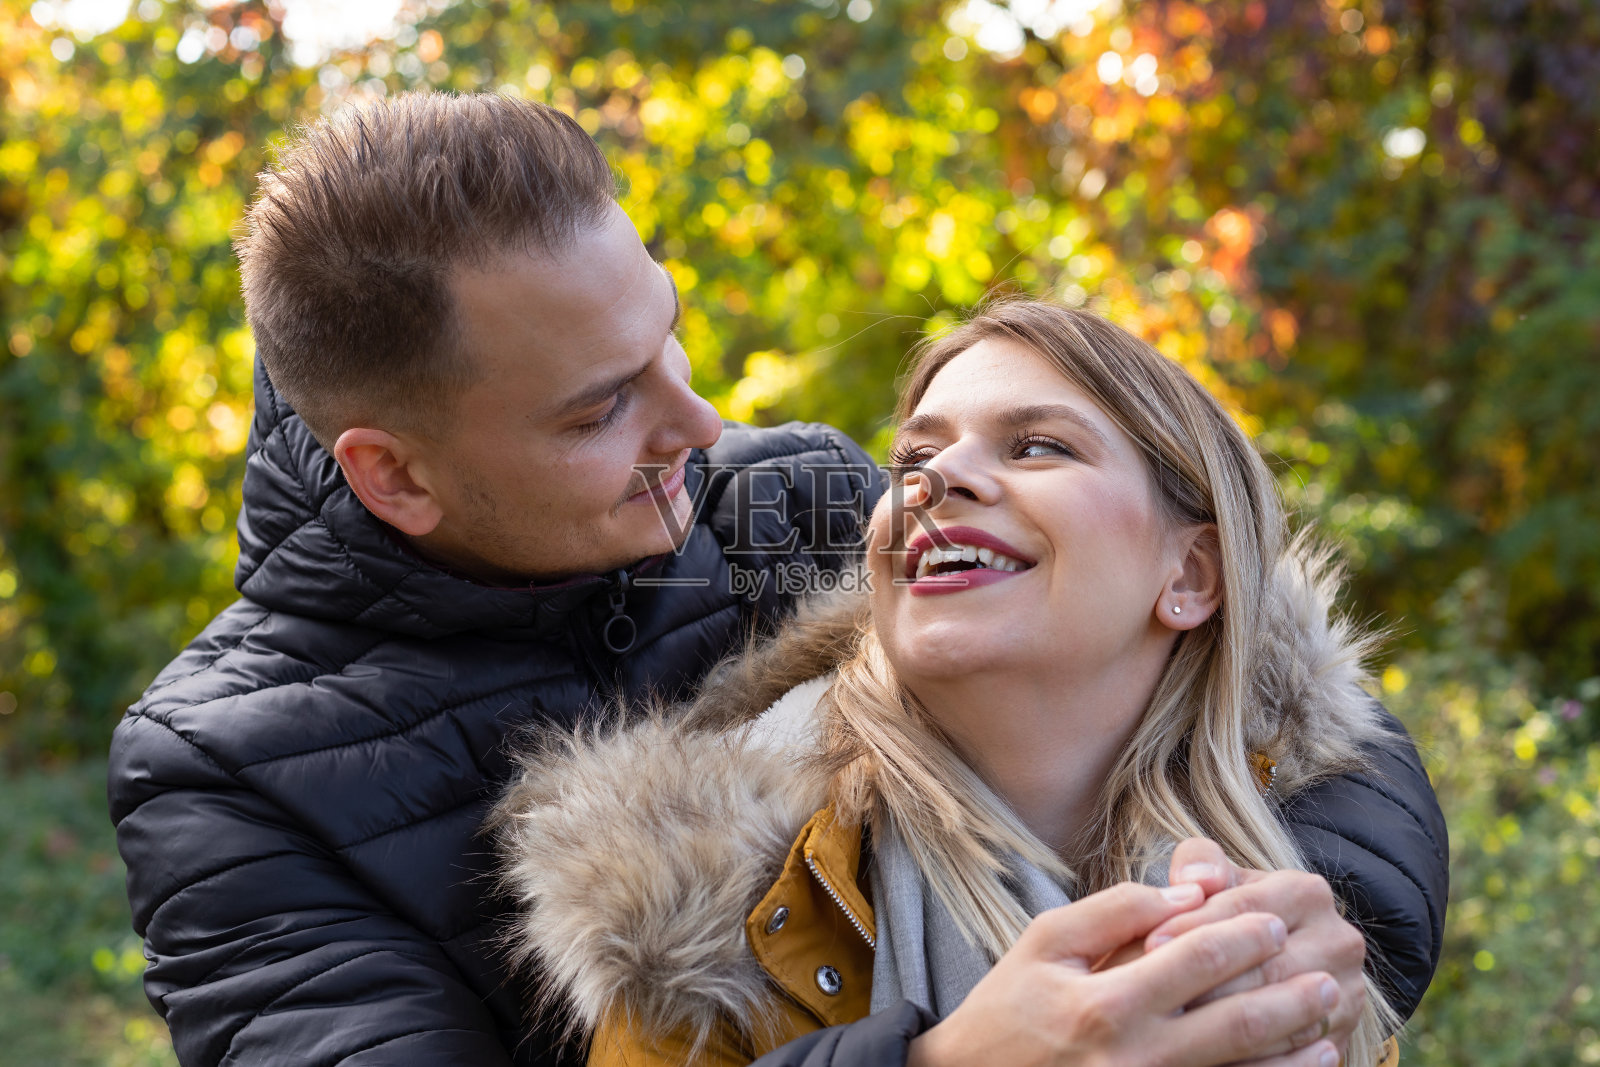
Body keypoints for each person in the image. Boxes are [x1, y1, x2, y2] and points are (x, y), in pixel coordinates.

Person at [107, 92, 1445, 1067]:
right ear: (395, 474)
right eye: (598, 410)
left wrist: (1270, 950)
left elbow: (1243, 678)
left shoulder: (785, 499)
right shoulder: (225, 767)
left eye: (670, 332)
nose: (697, 421)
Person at [494, 301, 1440, 1067]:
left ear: (1190, 576)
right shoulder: (705, 908)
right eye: (913, 457)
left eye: (1037, 445)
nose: (937, 478)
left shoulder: (1278, 917)